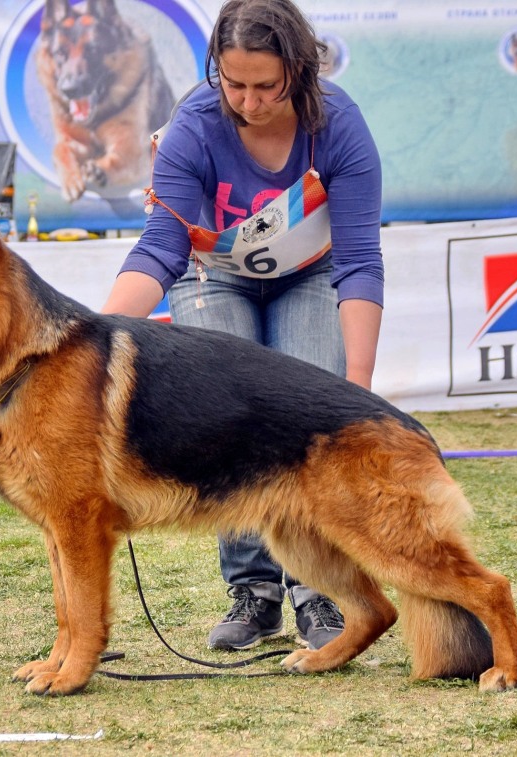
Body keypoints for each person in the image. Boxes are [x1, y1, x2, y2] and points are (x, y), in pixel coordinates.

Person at [101, 0, 383, 652]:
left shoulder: (339, 125)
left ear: (299, 72)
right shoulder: (192, 128)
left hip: (312, 274)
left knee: (311, 416)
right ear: (215, 73)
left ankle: (321, 593)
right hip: (213, 274)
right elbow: (159, 249)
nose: (250, 102)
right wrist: (98, 336)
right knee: (225, 416)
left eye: (266, 86)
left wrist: (359, 388)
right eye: (234, 85)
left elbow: (362, 260)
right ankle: (254, 592)